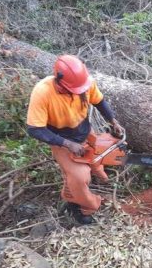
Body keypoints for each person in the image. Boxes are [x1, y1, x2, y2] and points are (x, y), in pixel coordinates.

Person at [26, 55, 123, 224]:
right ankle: (83, 206)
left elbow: (99, 101)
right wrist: (67, 144)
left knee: (99, 157)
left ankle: (98, 175)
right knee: (80, 177)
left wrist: (112, 121)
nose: (80, 92)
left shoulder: (85, 83)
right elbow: (34, 129)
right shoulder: (43, 92)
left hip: (84, 131)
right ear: (60, 81)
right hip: (62, 140)